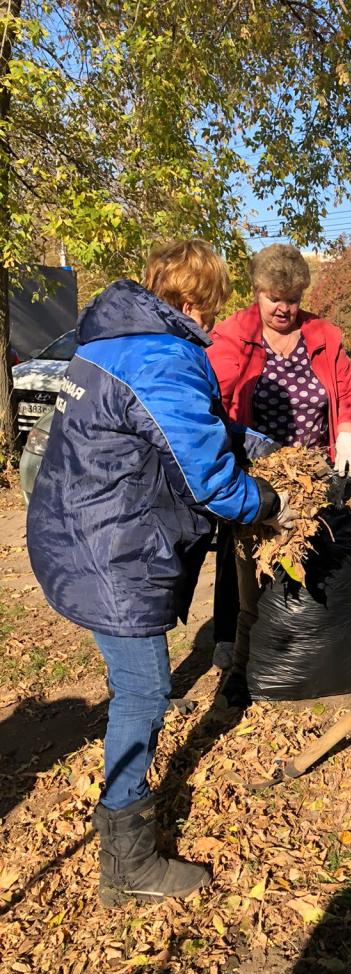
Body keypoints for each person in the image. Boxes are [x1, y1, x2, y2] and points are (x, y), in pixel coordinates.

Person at [26, 240, 293, 906]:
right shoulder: (162, 356)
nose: (215, 315)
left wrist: (254, 444)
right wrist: (271, 500)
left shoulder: (110, 343)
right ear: (191, 298)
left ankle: (125, 835)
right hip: (111, 552)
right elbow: (209, 481)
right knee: (145, 693)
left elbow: (182, 429)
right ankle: (128, 862)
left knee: (134, 682)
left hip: (75, 533)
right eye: (214, 300)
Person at [206, 243, 351, 696]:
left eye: (292, 298)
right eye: (274, 297)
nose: (284, 307)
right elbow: (214, 400)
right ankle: (232, 643)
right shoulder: (231, 335)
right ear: (256, 291)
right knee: (240, 557)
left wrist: (348, 431)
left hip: (312, 467)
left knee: (306, 550)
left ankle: (299, 643)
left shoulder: (323, 335)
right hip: (253, 469)